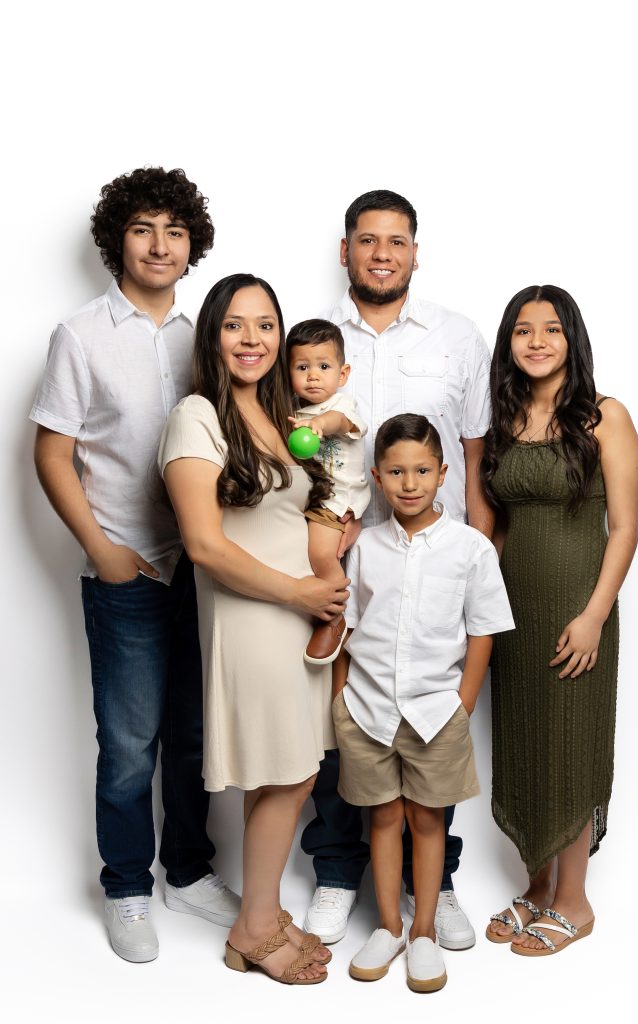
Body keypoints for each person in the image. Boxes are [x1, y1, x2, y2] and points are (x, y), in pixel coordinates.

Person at [30, 167, 241, 963]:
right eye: (143, 229)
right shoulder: (80, 334)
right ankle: (126, 886)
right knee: (127, 744)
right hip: (128, 571)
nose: (159, 245)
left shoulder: (206, 334)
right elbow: (52, 453)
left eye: (174, 231)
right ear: (116, 239)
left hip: (205, 568)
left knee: (193, 735)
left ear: (192, 245)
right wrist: (100, 549)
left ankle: (187, 872)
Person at [303, 190, 493, 949]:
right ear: (344, 250)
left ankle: (432, 886)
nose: (381, 254)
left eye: (396, 241)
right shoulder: (314, 340)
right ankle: (335, 872)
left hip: (439, 557)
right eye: (367, 240)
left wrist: (479, 549)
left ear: (416, 252)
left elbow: (475, 452)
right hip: (340, 553)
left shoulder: (457, 336)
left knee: (431, 727)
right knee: (344, 725)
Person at [158, 274, 349, 985]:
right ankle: (253, 930)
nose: (252, 339)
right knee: (285, 773)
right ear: (213, 335)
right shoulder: (196, 416)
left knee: (291, 771)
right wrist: (299, 591)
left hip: (298, 619)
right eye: (235, 325)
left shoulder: (280, 415)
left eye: (265, 325)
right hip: (253, 618)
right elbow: (205, 545)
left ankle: (260, 916)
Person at [482, 285, 638, 956]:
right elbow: (494, 529)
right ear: (509, 343)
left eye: (551, 328)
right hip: (511, 610)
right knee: (525, 743)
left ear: (572, 338)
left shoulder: (605, 415)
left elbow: (624, 528)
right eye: (523, 330)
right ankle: (538, 886)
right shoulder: (502, 418)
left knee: (569, 745)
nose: (537, 341)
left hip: (578, 605)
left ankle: (574, 901)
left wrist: (594, 615)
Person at [333, 414, 514, 991]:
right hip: (367, 709)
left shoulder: (470, 548)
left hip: (436, 711)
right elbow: (349, 623)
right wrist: (340, 695)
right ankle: (389, 927)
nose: (409, 483)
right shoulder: (366, 547)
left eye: (421, 471)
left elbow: (482, 630)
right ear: (376, 477)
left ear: (442, 474)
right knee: (383, 817)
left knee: (428, 820)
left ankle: (425, 932)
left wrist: (463, 702)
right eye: (395, 472)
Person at [286, 318, 371, 664]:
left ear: (343, 373)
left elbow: (340, 423)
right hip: (305, 499)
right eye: (302, 367)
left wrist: (319, 424)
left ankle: (336, 614)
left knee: (321, 554)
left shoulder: (341, 406)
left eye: (323, 367)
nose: (313, 376)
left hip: (337, 498)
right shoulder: (290, 411)